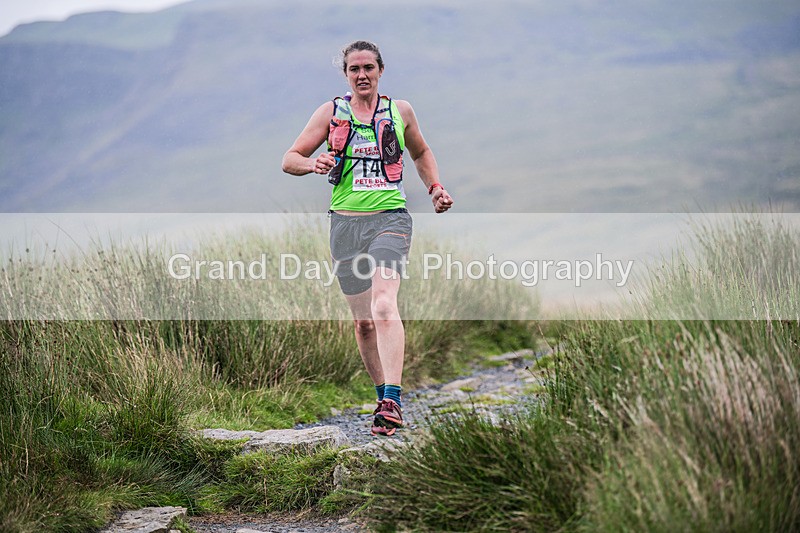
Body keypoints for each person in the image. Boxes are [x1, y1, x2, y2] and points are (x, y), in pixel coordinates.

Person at [281, 40, 453, 436]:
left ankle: (392, 400)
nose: (362, 75)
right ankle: (382, 398)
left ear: (380, 71)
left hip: (390, 220)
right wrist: (312, 163)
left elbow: (421, 151)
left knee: (383, 304)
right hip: (345, 225)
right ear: (346, 74)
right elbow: (289, 158)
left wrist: (435, 188)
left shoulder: (400, 111)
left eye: (369, 68)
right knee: (363, 324)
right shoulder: (330, 112)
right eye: (354, 69)